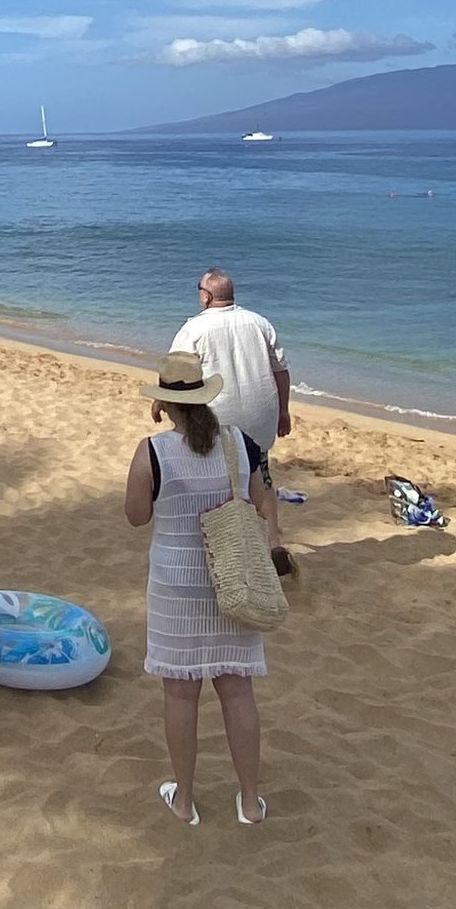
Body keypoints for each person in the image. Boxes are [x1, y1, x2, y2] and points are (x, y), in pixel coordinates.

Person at [124, 348, 283, 827]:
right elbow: (260, 502)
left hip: (176, 585)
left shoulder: (154, 450)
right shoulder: (237, 443)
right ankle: (251, 801)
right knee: (237, 692)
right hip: (231, 580)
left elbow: (136, 516)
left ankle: (185, 799)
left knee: (180, 695)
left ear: (164, 403)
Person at [172, 268, 293, 446]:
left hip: (218, 423)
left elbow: (174, 371)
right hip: (261, 421)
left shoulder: (194, 328)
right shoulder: (260, 323)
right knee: (256, 466)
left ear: (206, 296)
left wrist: (162, 401)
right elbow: (281, 371)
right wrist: (283, 411)